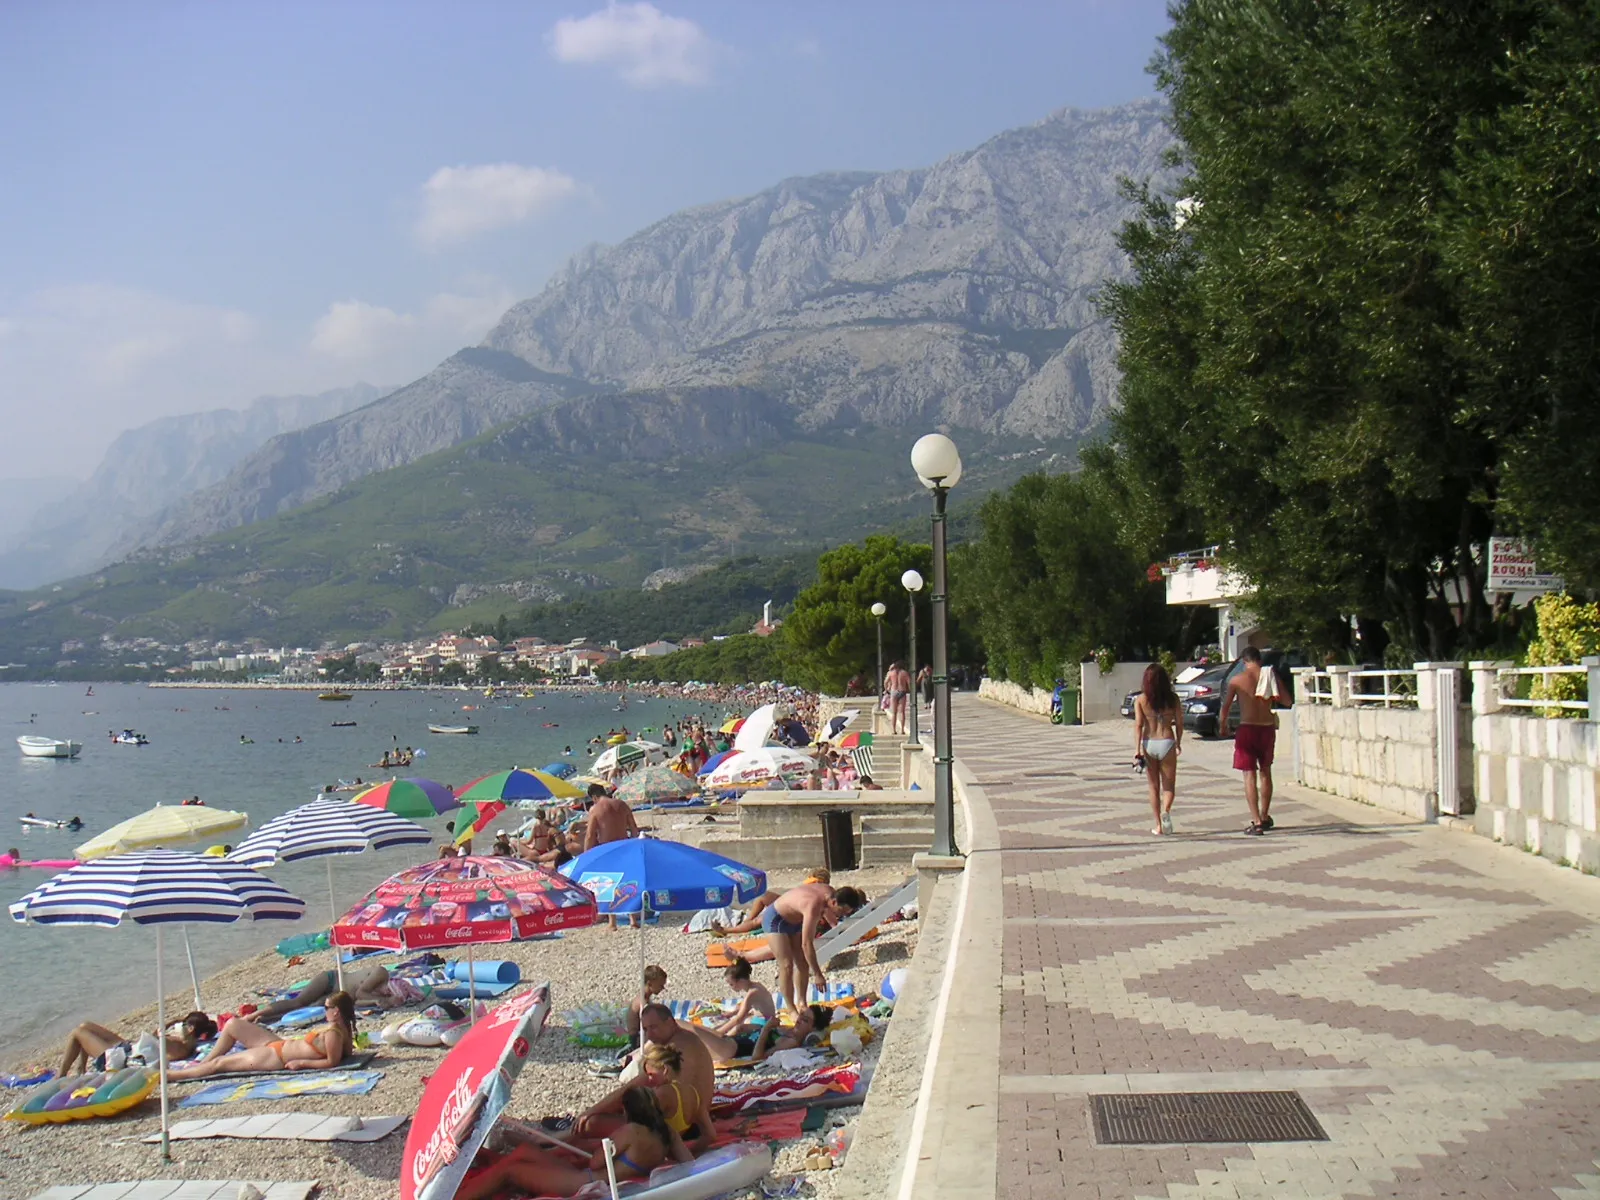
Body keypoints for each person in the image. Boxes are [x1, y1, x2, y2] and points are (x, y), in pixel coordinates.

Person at [465, 1087, 686, 1200]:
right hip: (601, 1178)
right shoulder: (666, 1133)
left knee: (512, 1170)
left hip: (583, 1182)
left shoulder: (630, 1131)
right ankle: (484, 1174)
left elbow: (597, 1163)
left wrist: (595, 1147)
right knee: (525, 1150)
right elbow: (689, 1163)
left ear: (627, 1109)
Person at [588, 1004, 714, 1153]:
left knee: (591, 1123)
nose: (649, 1035)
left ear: (671, 1022)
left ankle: (562, 1138)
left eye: (653, 1027)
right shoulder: (689, 1041)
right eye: (646, 1029)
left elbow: (629, 1090)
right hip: (694, 1120)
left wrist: (589, 1112)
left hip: (675, 1129)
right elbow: (710, 1135)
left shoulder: (669, 1057)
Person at [168, 991, 355, 1080]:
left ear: (336, 1011)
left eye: (327, 1007)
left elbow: (332, 1062)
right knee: (233, 1024)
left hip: (276, 1057)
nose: (325, 1010)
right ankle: (203, 1063)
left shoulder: (333, 1034)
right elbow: (344, 1053)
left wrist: (302, 1063)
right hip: (279, 1044)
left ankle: (176, 1076)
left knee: (220, 1064)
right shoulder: (342, 1029)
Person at [763, 882, 866, 1014]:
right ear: (834, 902)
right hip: (776, 919)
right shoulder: (813, 906)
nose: (841, 915)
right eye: (841, 912)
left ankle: (802, 1003)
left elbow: (830, 916)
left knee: (802, 963)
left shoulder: (830, 893)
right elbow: (806, 944)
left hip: (796, 919)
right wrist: (818, 974)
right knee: (786, 964)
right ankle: (791, 1009)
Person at [1222, 647, 1290, 835]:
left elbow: (1226, 706)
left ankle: (1257, 820)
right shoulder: (1270, 676)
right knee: (1266, 772)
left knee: (1249, 775)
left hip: (1247, 727)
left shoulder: (1236, 680)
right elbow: (1287, 701)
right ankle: (1265, 815)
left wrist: (1223, 725)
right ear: (1259, 660)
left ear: (1244, 661)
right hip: (1266, 727)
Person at [59, 1011, 216, 1077]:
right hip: (128, 1048)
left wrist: (170, 1023)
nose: (178, 1027)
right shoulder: (184, 1044)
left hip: (120, 1058)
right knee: (85, 1025)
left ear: (190, 1028)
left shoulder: (180, 1046)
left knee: (77, 1033)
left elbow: (154, 1036)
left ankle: (60, 1075)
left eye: (182, 1024)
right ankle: (81, 1069)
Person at [687, 1002, 828, 1064]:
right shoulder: (787, 1029)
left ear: (813, 1028)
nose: (799, 1020)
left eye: (805, 1020)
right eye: (801, 1015)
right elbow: (744, 1028)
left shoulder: (791, 1042)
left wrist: (766, 1029)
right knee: (688, 1031)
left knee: (687, 1033)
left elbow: (757, 1057)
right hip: (730, 1040)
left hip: (731, 1049)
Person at [1133, 663, 1183, 836]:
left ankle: (1158, 825)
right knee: (1169, 786)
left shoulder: (1141, 700)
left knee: (1153, 786)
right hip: (1167, 741)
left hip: (1149, 743)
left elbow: (1138, 725)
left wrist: (1136, 749)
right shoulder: (1173, 699)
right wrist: (1179, 742)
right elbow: (1180, 723)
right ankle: (1166, 811)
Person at [710, 869, 830, 936]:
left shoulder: (822, 894)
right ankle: (747, 921)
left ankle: (727, 930)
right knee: (764, 897)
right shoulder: (820, 889)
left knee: (761, 919)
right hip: (793, 904)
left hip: (798, 912)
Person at [585, 782, 640, 929]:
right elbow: (634, 828)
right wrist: (635, 844)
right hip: (624, 846)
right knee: (628, 882)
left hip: (607, 848)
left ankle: (612, 922)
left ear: (595, 797)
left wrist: (586, 855)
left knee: (608, 883)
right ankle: (633, 920)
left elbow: (590, 835)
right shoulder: (622, 805)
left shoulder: (595, 809)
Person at [709, 956, 775, 1038]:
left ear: (740, 981)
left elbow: (738, 1019)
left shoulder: (752, 993)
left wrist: (718, 1033)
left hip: (767, 1024)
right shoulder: (755, 986)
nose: (731, 987)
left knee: (738, 1028)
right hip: (761, 1019)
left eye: (731, 984)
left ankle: (721, 1039)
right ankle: (717, 1033)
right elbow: (745, 1007)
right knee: (732, 1021)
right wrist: (731, 1013)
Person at [626, 965, 669, 1051]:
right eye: (660, 985)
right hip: (637, 1042)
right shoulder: (642, 1003)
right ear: (650, 984)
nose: (662, 988)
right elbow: (648, 1028)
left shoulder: (643, 998)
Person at [885, 661, 911, 736]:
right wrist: (909, 690)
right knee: (902, 712)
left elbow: (886, 682)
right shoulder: (904, 673)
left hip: (894, 691)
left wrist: (886, 689)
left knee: (894, 712)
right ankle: (902, 730)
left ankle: (894, 730)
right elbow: (909, 682)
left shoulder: (891, 673)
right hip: (902, 691)